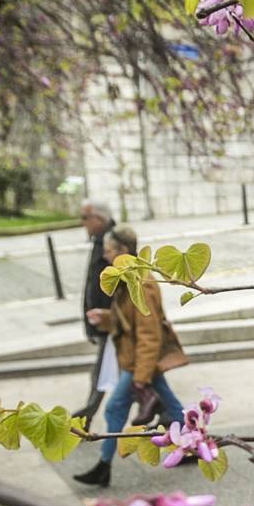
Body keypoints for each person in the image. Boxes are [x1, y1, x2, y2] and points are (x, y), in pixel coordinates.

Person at [74, 225, 190, 487]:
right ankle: (195, 444)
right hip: (138, 359)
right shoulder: (128, 279)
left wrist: (139, 378)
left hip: (139, 361)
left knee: (115, 407)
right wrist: (106, 318)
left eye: (109, 250)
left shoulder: (142, 282)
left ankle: (103, 465)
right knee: (172, 406)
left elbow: (149, 334)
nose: (105, 256)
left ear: (123, 251)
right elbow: (130, 320)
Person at [73, 200, 118, 422]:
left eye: (84, 217)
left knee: (102, 373)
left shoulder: (114, 241)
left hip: (113, 322)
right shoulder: (100, 241)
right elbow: (92, 282)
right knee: (137, 377)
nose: (82, 223)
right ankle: (167, 411)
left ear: (99, 219)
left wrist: (110, 317)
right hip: (104, 321)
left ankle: (84, 419)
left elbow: (122, 284)